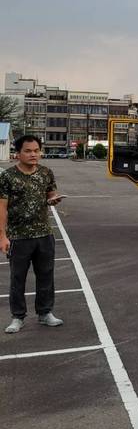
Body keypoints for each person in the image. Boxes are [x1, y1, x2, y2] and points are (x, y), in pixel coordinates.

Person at [0, 135, 64, 334]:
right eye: (28, 151)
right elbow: (1, 207)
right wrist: (2, 235)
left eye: (36, 150)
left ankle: (45, 313)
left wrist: (54, 199)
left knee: (46, 275)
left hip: (44, 234)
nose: (33, 154)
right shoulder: (8, 176)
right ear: (17, 153)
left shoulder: (46, 173)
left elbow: (51, 194)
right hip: (18, 236)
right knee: (17, 278)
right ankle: (17, 317)